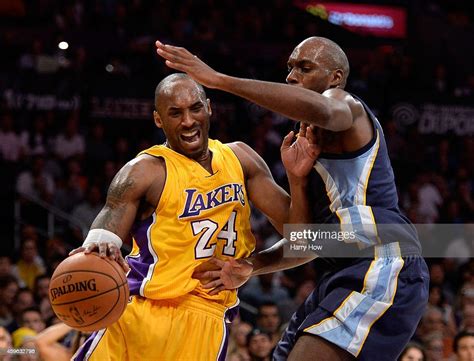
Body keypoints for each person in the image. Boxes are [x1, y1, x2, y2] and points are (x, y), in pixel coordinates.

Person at [156, 37, 429, 360]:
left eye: (305, 67)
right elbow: (308, 243)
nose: (291, 76)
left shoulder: (347, 107)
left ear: (336, 77)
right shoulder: (310, 144)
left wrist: (218, 80)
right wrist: (253, 262)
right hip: (342, 270)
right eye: (289, 68)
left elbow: (325, 108)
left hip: (384, 261)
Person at [69, 73, 308, 360]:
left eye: (195, 108)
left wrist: (296, 181)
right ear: (159, 119)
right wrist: (98, 244)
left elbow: (308, 241)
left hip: (205, 318)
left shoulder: (240, 158)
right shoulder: (146, 170)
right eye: (175, 113)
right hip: (139, 314)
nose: (188, 121)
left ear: (208, 107)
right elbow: (108, 222)